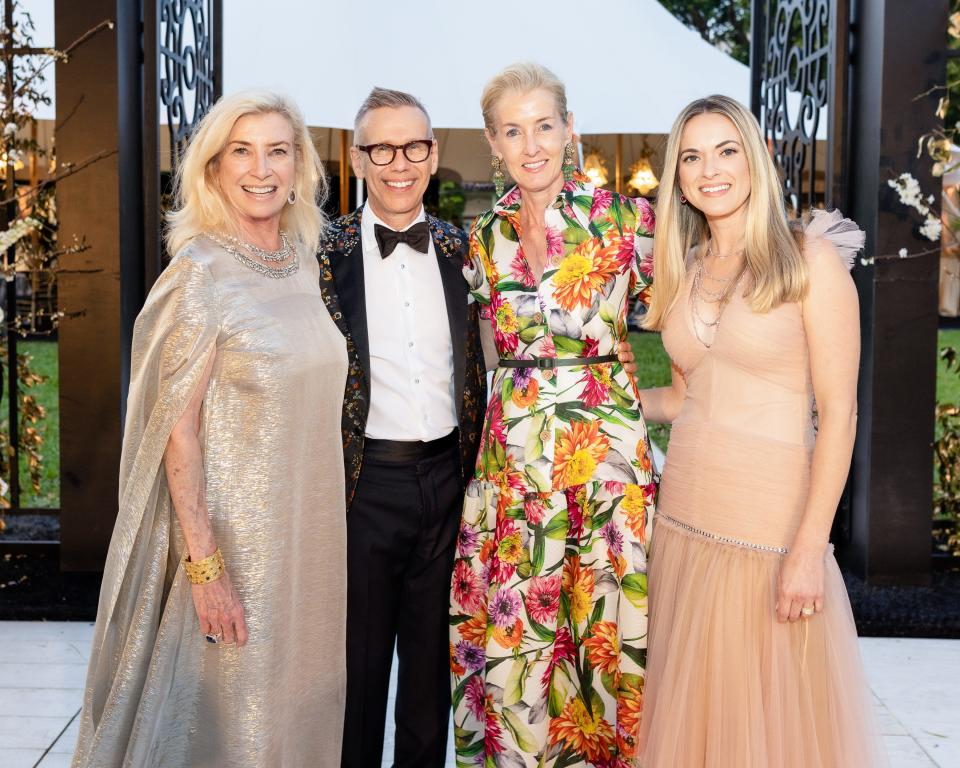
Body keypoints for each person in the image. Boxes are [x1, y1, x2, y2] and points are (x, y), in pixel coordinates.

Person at [72, 90, 347, 768]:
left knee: (300, 709)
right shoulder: (198, 276)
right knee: (233, 727)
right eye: (241, 151)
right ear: (213, 168)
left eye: (277, 150)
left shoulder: (306, 264)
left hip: (310, 543)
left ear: (300, 165)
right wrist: (205, 566)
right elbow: (178, 432)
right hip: (237, 551)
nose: (261, 169)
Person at [637, 95, 888, 767]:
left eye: (725, 151)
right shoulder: (686, 267)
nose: (708, 170)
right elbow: (682, 397)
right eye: (691, 156)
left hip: (768, 537)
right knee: (695, 733)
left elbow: (840, 414)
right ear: (677, 175)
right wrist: (588, 396)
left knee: (767, 738)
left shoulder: (810, 261)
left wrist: (810, 547)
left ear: (756, 158)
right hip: (684, 525)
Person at [449, 62, 656, 767]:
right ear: (493, 142)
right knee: (521, 646)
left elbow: (696, 315)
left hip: (607, 467)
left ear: (570, 130)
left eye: (544, 125)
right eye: (514, 130)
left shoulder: (628, 223)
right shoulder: (483, 238)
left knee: (610, 635)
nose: (531, 144)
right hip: (514, 470)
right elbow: (480, 353)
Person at [317, 87, 487, 768]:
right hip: (362, 486)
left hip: (449, 480)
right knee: (356, 676)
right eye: (381, 148)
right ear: (358, 158)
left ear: (433, 153)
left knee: (428, 676)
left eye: (413, 146)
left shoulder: (461, 248)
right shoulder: (320, 253)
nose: (399, 163)